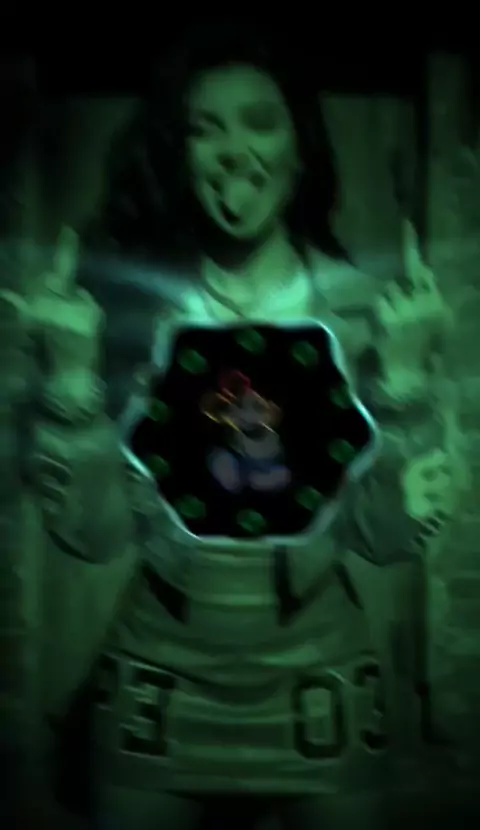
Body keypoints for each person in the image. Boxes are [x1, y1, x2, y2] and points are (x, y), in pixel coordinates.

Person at [3, 23, 457, 830]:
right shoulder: (128, 315)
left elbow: (388, 537)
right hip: (158, 681)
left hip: (321, 677)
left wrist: (408, 382)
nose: (233, 151)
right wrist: (69, 379)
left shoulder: (364, 313)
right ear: (179, 154)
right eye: (204, 129)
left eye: (260, 122)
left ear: (299, 147)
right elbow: (94, 536)